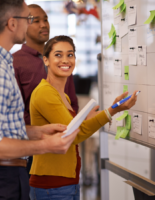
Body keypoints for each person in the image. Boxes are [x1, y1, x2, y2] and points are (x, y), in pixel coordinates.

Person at [0, 2, 80, 200]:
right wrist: (46, 145)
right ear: (12, 23)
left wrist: (37, 132)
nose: (31, 23)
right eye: (28, 18)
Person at [29, 35, 138, 200]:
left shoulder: (63, 95)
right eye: (58, 55)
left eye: (70, 54)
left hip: (66, 183)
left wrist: (92, 118)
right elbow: (73, 134)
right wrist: (112, 111)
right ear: (46, 60)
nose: (65, 60)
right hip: (52, 185)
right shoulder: (45, 92)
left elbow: (71, 128)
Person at [12, 3, 79, 175]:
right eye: (35, 20)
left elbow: (72, 101)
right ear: (23, 26)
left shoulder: (60, 59)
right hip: (32, 147)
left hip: (65, 140)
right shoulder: (15, 62)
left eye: (46, 19)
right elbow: (16, 110)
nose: (43, 25)